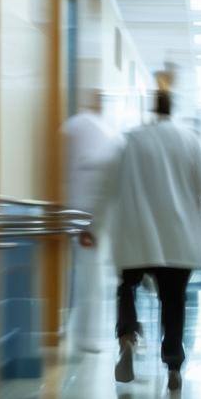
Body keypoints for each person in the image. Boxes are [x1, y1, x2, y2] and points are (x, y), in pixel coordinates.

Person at [100, 89, 201, 392]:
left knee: (127, 286)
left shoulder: (131, 140)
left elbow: (107, 186)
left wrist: (93, 225)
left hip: (136, 233)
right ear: (172, 109)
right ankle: (173, 364)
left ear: (152, 110)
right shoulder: (190, 140)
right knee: (173, 301)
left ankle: (127, 336)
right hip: (177, 236)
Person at [60, 90, 122, 354]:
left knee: (84, 274)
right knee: (91, 276)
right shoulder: (103, 133)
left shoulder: (84, 128)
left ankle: (74, 329)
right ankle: (85, 335)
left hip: (82, 212)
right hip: (90, 215)